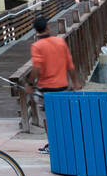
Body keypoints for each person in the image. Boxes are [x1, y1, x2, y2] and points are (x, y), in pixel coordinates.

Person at [30, 15, 74, 154]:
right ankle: (67, 142)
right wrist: (76, 84)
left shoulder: (37, 46)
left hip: (46, 90)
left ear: (36, 30)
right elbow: (70, 65)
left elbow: (37, 69)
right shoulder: (60, 42)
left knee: (48, 119)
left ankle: (53, 144)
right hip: (62, 87)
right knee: (63, 116)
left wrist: (30, 84)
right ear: (48, 27)